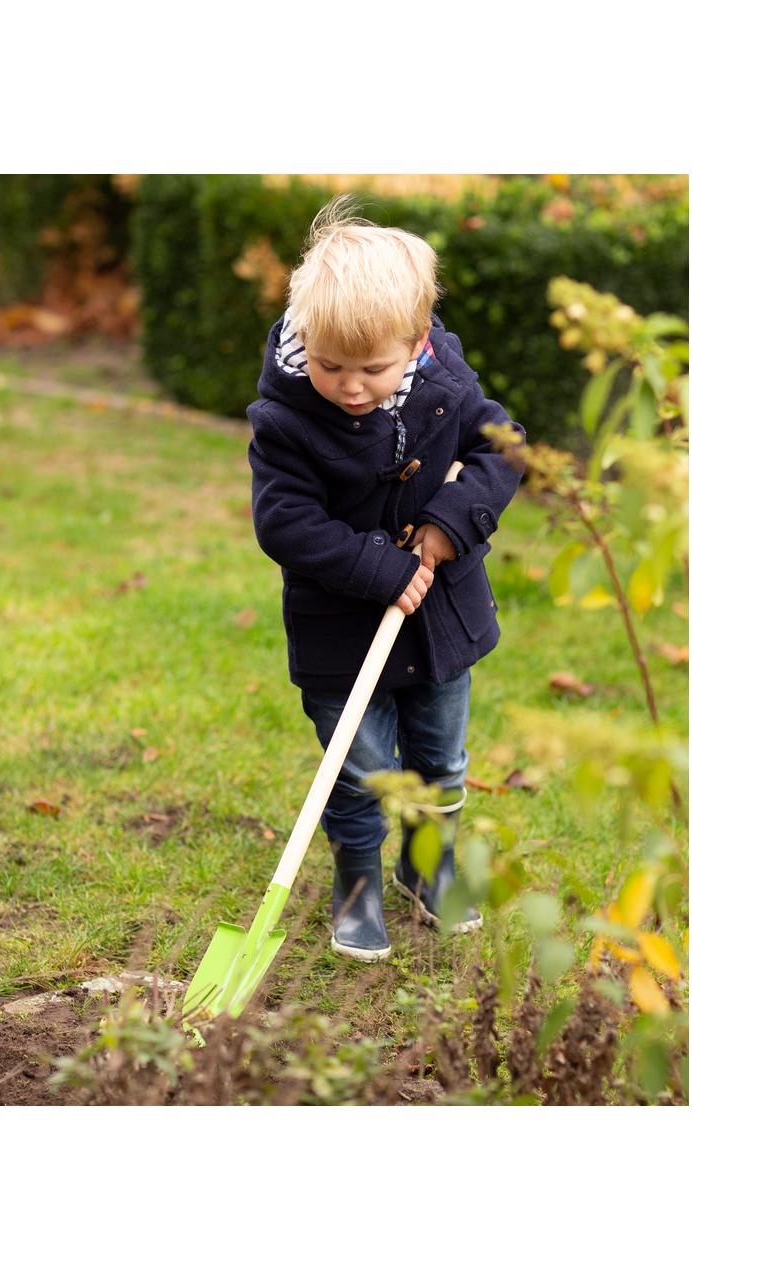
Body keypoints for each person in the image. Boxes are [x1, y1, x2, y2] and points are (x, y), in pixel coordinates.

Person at [247, 195, 525, 962]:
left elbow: (506, 450)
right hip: (342, 631)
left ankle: (428, 870)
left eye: (373, 368)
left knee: (441, 759)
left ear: (416, 340)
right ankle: (359, 885)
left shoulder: (446, 386)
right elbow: (286, 523)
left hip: (440, 624)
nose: (351, 386)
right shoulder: (288, 421)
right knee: (359, 769)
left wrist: (449, 522)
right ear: (307, 337)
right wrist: (383, 566)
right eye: (332, 365)